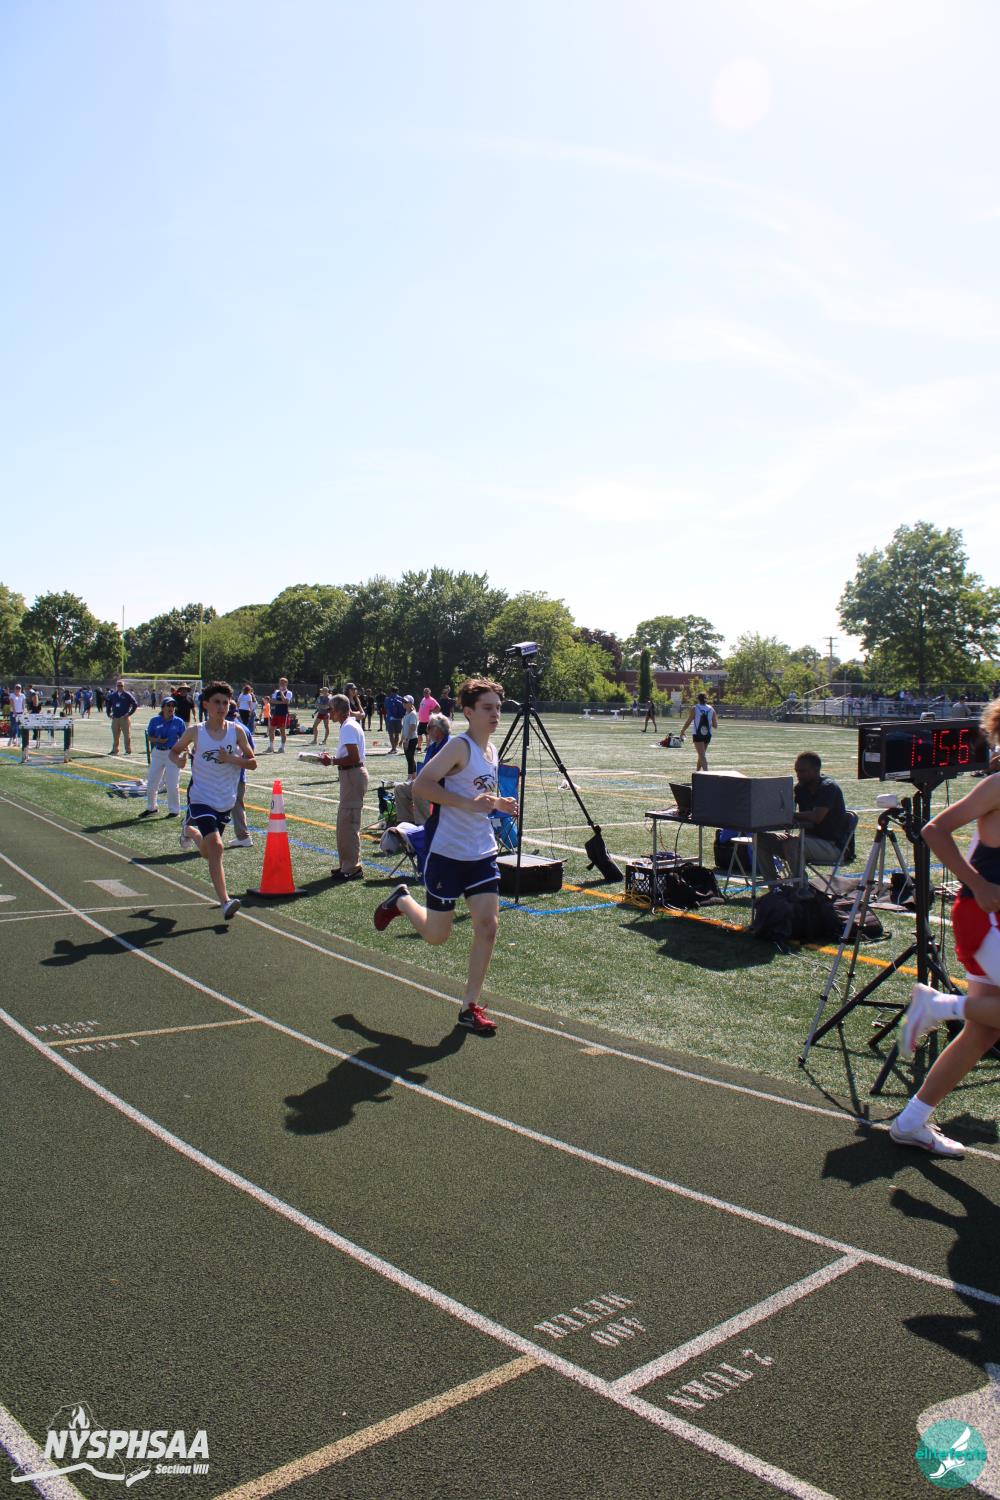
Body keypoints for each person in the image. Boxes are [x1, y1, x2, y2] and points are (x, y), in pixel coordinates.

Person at [373, 678, 519, 1037]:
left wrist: (498, 804)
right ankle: (402, 900)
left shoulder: (491, 750)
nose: (495, 714)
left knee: (488, 927)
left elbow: (479, 795)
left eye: (498, 708)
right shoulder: (459, 746)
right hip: (448, 854)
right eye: (487, 708)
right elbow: (422, 786)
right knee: (437, 936)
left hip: (481, 852)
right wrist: (469, 804)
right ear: (468, 712)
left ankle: (469, 1007)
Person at [889, 699, 1000, 1159]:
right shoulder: (998, 784)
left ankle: (910, 1121)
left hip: (990, 918)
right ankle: (940, 1004)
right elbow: (934, 830)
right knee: (980, 1020)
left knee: (983, 1030)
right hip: (984, 915)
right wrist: (978, 883)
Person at [170, 680, 256, 919]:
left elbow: (252, 763)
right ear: (206, 704)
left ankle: (189, 831)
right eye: (217, 702)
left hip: (225, 799)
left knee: (209, 853)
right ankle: (225, 902)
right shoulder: (195, 731)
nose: (221, 707)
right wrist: (180, 760)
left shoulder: (237, 731)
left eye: (225, 703)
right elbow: (175, 751)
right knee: (217, 847)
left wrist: (231, 759)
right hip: (200, 797)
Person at [755, 752, 851, 881]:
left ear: (816, 770)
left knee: (792, 843)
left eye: (803, 771)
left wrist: (788, 815)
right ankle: (774, 886)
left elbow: (817, 817)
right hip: (806, 841)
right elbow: (792, 815)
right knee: (760, 839)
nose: (798, 775)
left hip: (832, 846)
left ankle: (800, 887)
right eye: (797, 771)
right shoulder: (801, 789)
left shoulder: (828, 787)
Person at [327, 693, 368, 882]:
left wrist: (332, 761)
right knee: (344, 823)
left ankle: (352, 867)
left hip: (352, 774)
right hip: (350, 775)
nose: (329, 713)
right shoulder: (349, 725)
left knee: (349, 823)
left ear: (338, 710)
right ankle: (347, 864)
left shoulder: (348, 727)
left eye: (331, 709)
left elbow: (353, 757)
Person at [392, 712, 451, 825]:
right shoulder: (433, 746)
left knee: (419, 789)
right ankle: (407, 824)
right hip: (428, 781)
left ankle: (424, 825)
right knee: (400, 789)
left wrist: (423, 782)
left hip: (443, 785)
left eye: (429, 727)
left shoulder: (450, 745)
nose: (426, 731)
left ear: (438, 729)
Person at [141, 697, 185, 818]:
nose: (171, 708)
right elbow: (149, 737)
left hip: (172, 753)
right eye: (168, 705)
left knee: (172, 784)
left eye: (173, 706)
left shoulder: (179, 722)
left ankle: (174, 810)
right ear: (163, 707)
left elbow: (184, 738)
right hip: (158, 753)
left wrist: (185, 749)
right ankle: (151, 808)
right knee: (152, 782)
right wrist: (157, 740)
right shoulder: (155, 720)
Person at [680, 692, 717, 771]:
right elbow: (715, 725)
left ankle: (707, 774)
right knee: (701, 755)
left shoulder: (695, 708)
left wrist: (682, 730)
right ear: (706, 699)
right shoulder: (711, 709)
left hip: (698, 734)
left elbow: (689, 721)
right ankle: (697, 773)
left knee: (702, 755)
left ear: (698, 699)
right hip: (708, 735)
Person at [106, 679, 138, 755]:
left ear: (123, 686)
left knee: (127, 735)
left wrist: (129, 714)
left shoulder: (127, 695)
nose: (120, 687)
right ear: (116, 686)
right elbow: (108, 705)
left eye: (121, 685)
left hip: (124, 718)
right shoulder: (113, 695)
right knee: (115, 735)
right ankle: (115, 750)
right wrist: (109, 714)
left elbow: (135, 704)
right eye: (118, 685)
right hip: (115, 718)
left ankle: (128, 750)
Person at [267, 677, 293, 753]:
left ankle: (282, 748)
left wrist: (281, 693)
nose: (281, 684)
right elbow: (272, 701)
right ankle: (271, 747)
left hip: (283, 714)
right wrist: (282, 702)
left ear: (286, 684)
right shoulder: (276, 692)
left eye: (283, 682)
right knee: (271, 729)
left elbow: (286, 701)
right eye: (280, 682)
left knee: (282, 731)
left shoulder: (289, 692)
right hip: (276, 713)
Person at [401, 695, 419, 775]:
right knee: (409, 758)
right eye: (403, 701)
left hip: (411, 739)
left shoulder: (412, 714)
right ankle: (413, 776)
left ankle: (410, 776)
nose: (403, 703)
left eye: (406, 702)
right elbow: (404, 728)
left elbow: (413, 728)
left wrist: (407, 740)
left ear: (411, 703)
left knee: (410, 758)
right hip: (407, 739)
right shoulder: (406, 713)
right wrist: (402, 739)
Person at [384, 686, 404, 753]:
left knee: (391, 734)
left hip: (390, 718)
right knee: (397, 734)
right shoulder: (401, 698)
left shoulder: (387, 699)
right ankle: (395, 748)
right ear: (397, 691)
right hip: (399, 719)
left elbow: (386, 707)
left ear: (391, 691)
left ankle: (393, 748)